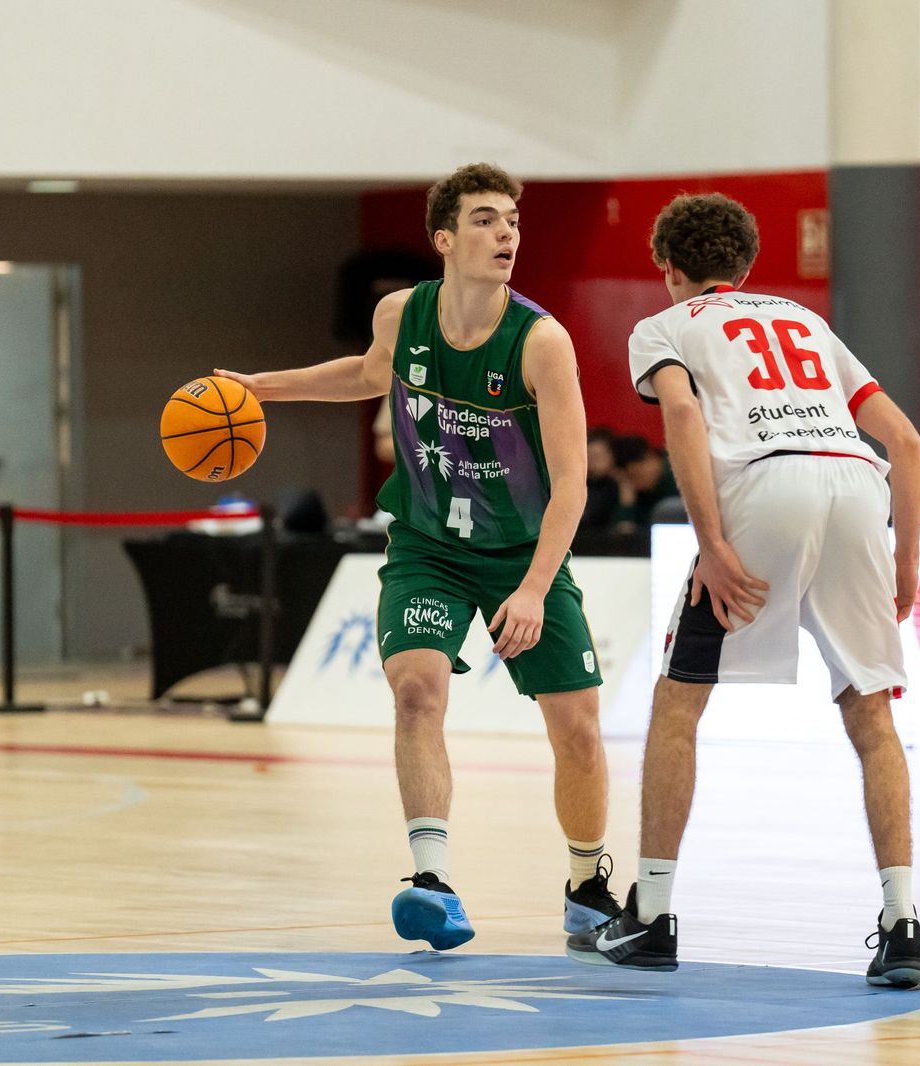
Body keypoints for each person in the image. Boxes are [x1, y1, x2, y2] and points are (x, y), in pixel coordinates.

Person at [217, 163, 619, 951]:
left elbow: (572, 482)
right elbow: (369, 375)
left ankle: (587, 883)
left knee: (577, 728)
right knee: (415, 693)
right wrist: (262, 387)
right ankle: (431, 880)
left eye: (512, 221)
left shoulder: (541, 341)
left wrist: (535, 588)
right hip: (427, 543)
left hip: (520, 551)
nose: (506, 234)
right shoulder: (401, 314)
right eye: (485, 220)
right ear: (444, 238)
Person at [566, 193, 920, 988]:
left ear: (669, 269)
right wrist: (905, 560)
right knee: (872, 716)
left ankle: (652, 915)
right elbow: (903, 440)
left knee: (678, 705)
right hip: (857, 487)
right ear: (748, 264)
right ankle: (903, 924)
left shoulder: (665, 326)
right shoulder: (806, 321)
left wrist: (712, 544)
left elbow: (684, 418)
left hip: (766, 486)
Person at [610, 435, 679, 528]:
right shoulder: (641, 493)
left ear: (650, 457)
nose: (634, 485)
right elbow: (622, 530)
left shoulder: (677, 477)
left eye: (635, 476)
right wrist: (627, 504)